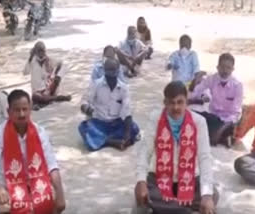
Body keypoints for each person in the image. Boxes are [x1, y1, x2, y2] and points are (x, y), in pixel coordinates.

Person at [135, 81, 218, 214]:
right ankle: (183, 209)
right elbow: (145, 151)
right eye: (171, 102)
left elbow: (205, 157)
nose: (176, 107)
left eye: (180, 102)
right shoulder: (155, 118)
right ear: (165, 102)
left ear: (187, 102)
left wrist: (207, 195)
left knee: (212, 194)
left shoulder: (199, 122)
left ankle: (169, 208)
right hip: (159, 179)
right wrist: (141, 181)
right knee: (143, 192)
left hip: (188, 180)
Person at [0, 89, 66, 213]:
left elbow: (52, 165)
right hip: (8, 185)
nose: (22, 114)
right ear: (8, 111)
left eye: (25, 109)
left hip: (36, 183)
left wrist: (60, 194)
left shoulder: (39, 132)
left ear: (30, 109)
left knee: (59, 195)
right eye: (17, 110)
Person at [79, 58, 140, 151]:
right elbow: (84, 101)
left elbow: (127, 112)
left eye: (113, 74)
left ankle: (102, 140)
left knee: (134, 128)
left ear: (118, 71)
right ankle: (110, 141)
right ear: (104, 71)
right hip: (99, 122)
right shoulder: (96, 85)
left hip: (116, 123)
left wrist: (127, 136)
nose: (111, 78)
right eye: (109, 74)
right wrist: (87, 109)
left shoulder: (124, 88)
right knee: (83, 127)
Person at [190, 53, 243, 146]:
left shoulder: (237, 85)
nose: (225, 70)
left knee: (211, 134)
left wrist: (222, 127)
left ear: (232, 69)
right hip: (213, 116)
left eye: (228, 68)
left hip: (228, 121)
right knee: (190, 114)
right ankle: (220, 137)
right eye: (222, 67)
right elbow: (197, 90)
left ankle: (221, 136)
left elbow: (236, 113)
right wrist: (201, 96)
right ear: (217, 67)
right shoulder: (212, 79)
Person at [23, 41, 71, 110]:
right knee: (35, 96)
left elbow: (63, 65)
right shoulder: (32, 61)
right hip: (38, 92)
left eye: (43, 50)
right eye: (39, 51)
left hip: (49, 89)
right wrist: (30, 58)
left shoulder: (49, 60)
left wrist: (58, 75)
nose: (41, 53)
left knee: (56, 80)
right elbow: (25, 72)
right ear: (35, 52)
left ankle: (50, 98)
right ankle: (58, 98)